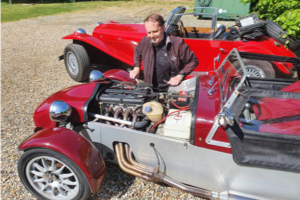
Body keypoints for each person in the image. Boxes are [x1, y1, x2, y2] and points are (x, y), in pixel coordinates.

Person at [130, 13, 199, 91]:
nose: (152, 36)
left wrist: (180, 76)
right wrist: (136, 68)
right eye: (149, 32)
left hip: (172, 89)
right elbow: (137, 52)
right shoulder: (145, 41)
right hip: (150, 89)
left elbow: (193, 61)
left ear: (163, 27)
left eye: (155, 31)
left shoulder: (177, 43)